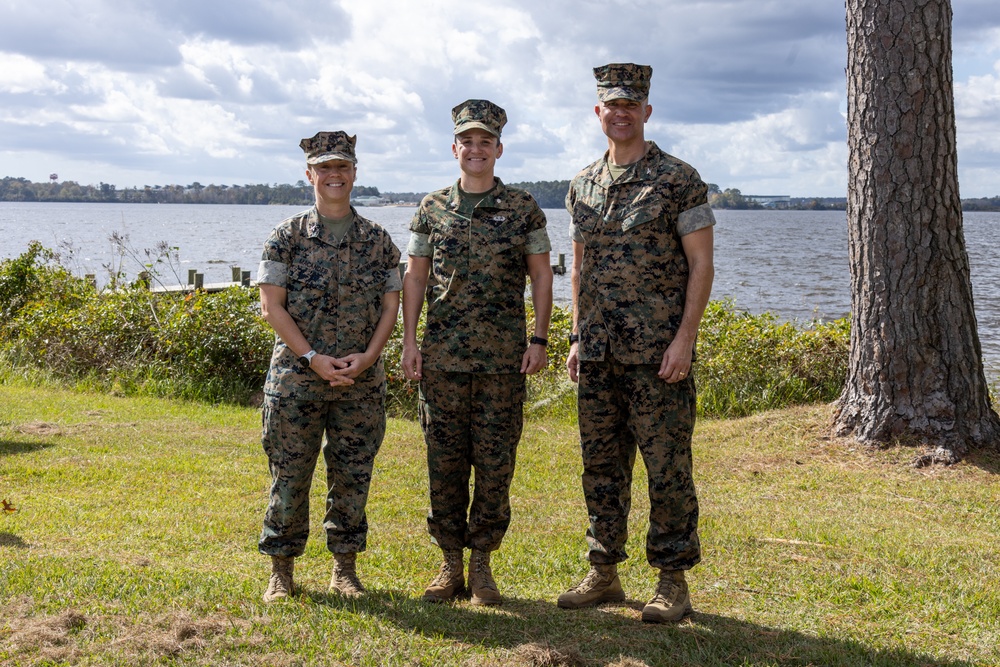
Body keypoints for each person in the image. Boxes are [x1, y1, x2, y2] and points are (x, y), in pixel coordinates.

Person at [558, 64, 715, 623]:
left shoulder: (678, 179)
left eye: (632, 104)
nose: (620, 113)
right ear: (597, 113)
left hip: (657, 355)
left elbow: (701, 263)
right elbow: (577, 270)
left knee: (667, 467)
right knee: (601, 468)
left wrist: (685, 339)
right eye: (611, 105)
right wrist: (576, 335)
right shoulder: (582, 184)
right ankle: (604, 573)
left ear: (646, 112)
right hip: (598, 353)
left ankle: (672, 581)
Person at [401, 99, 553, 606]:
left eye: (485, 141)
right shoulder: (432, 208)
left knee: (494, 464)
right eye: (467, 141)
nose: (475, 149)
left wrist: (539, 338)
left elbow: (540, 276)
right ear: (455, 148)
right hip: (442, 359)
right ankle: (449, 564)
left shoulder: (523, 207)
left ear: (499, 149)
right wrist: (409, 341)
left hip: (502, 362)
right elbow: (416, 277)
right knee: (443, 463)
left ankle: (482, 565)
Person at [256, 131, 401, 603]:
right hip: (297, 381)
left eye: (342, 167)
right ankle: (282, 570)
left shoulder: (378, 240)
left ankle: (345, 569)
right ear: (309, 175)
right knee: (290, 476)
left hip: (360, 382)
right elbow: (271, 306)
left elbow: (390, 306)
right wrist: (313, 359)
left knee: (353, 475)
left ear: (355, 173)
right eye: (325, 168)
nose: (334, 176)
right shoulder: (286, 237)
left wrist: (370, 357)